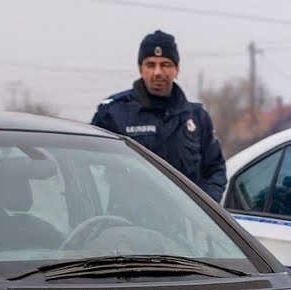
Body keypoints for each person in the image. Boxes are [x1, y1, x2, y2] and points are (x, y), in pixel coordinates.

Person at [91, 29, 227, 199]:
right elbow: (88, 166)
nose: (158, 72)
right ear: (140, 69)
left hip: (183, 215)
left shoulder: (197, 117)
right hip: (130, 215)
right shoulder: (113, 114)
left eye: (165, 64)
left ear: (177, 69)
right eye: (150, 65)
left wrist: (204, 206)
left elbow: (215, 170)